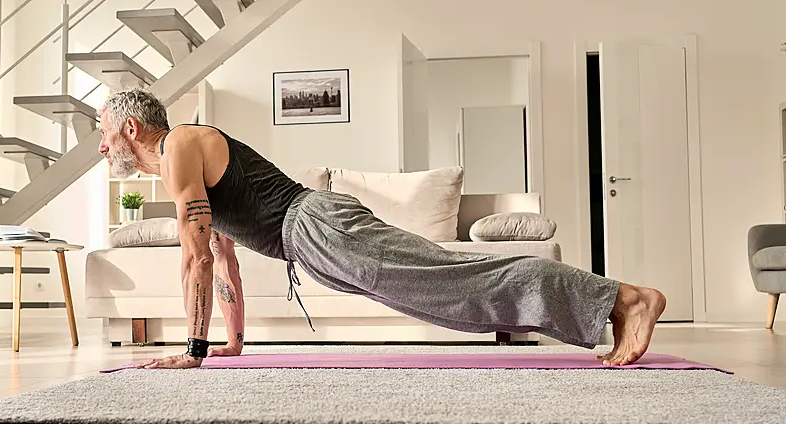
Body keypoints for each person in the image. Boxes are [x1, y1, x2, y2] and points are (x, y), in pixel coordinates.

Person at [97, 88, 666, 369]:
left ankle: (625, 298)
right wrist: (231, 343)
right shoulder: (186, 164)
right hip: (314, 243)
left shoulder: (179, 147)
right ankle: (608, 307)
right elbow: (222, 258)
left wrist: (191, 351)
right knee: (448, 299)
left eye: (103, 134)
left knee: (455, 278)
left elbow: (194, 258)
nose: (101, 147)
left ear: (129, 127)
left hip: (318, 227)